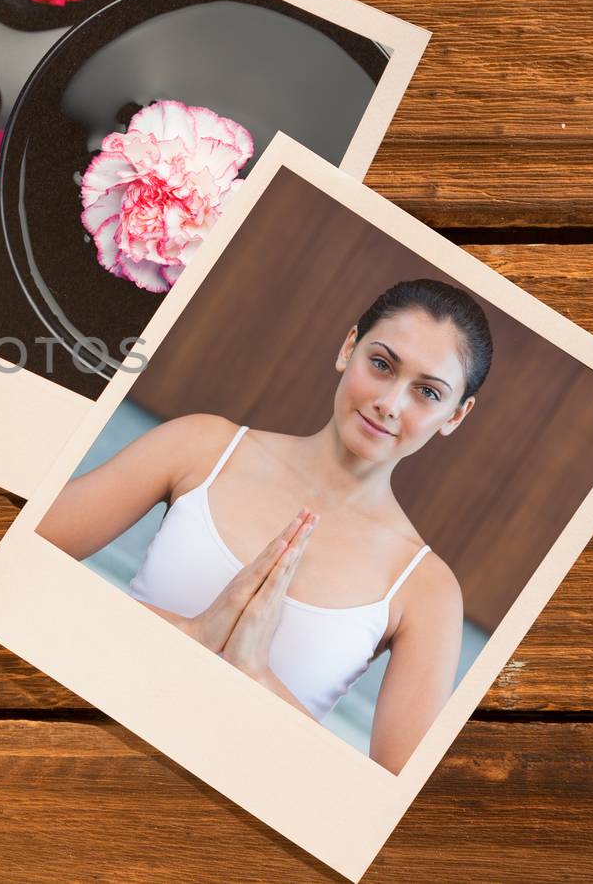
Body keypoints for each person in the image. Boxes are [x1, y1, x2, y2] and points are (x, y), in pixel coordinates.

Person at [36, 278, 493, 773]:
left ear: (456, 416)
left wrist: (253, 674)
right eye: (381, 365)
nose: (391, 402)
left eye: (427, 392)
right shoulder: (202, 446)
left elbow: (382, 802)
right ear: (348, 348)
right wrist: (191, 635)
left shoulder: (427, 591)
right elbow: (9, 561)